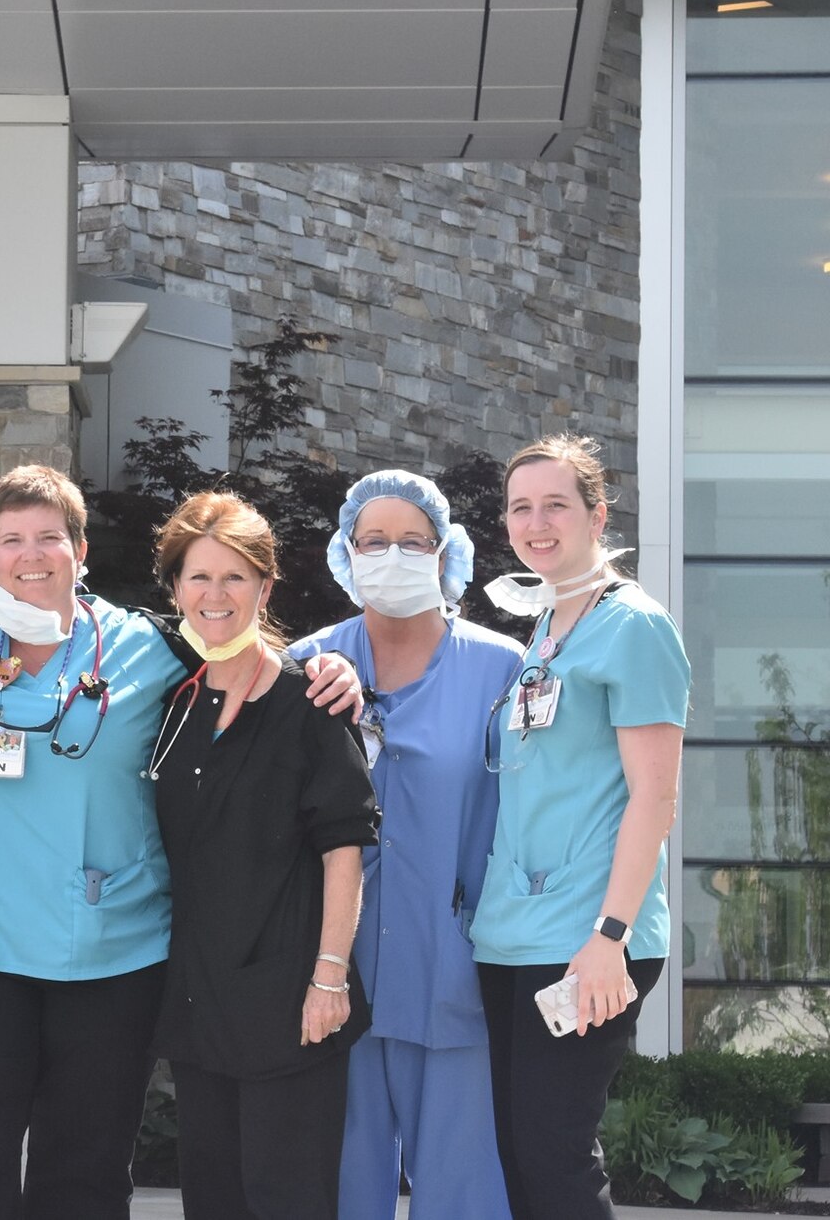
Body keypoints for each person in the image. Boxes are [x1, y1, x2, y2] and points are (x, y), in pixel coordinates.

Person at [0, 466, 365, 1220]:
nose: (32, 555)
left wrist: (327, 666)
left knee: (84, 1178)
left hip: (109, 959)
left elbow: (241, 652)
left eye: (50, 537)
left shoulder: (147, 649)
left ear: (80, 550)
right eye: (11, 540)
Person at [289, 469, 522, 1220]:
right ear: (345, 552)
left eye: (412, 541)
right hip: (330, 978)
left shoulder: (500, 668)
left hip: (451, 970)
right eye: (374, 540)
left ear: (447, 551)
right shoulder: (303, 665)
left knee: (463, 1195)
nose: (392, 554)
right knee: (334, 1188)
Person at [469, 435, 689, 1219]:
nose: (537, 522)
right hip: (512, 935)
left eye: (556, 503)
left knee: (556, 1158)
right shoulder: (545, 632)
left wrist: (611, 934)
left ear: (598, 516)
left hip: (586, 938)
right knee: (522, 1158)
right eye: (520, 506)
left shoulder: (635, 627)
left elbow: (655, 797)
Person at [147, 491, 380, 1220]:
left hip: (292, 1005)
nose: (215, 595)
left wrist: (330, 978)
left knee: (287, 1199)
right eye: (198, 578)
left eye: (235, 577)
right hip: (200, 1004)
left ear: (265, 587)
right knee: (212, 1200)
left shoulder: (310, 701)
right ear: (176, 589)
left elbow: (345, 847)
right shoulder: (174, 706)